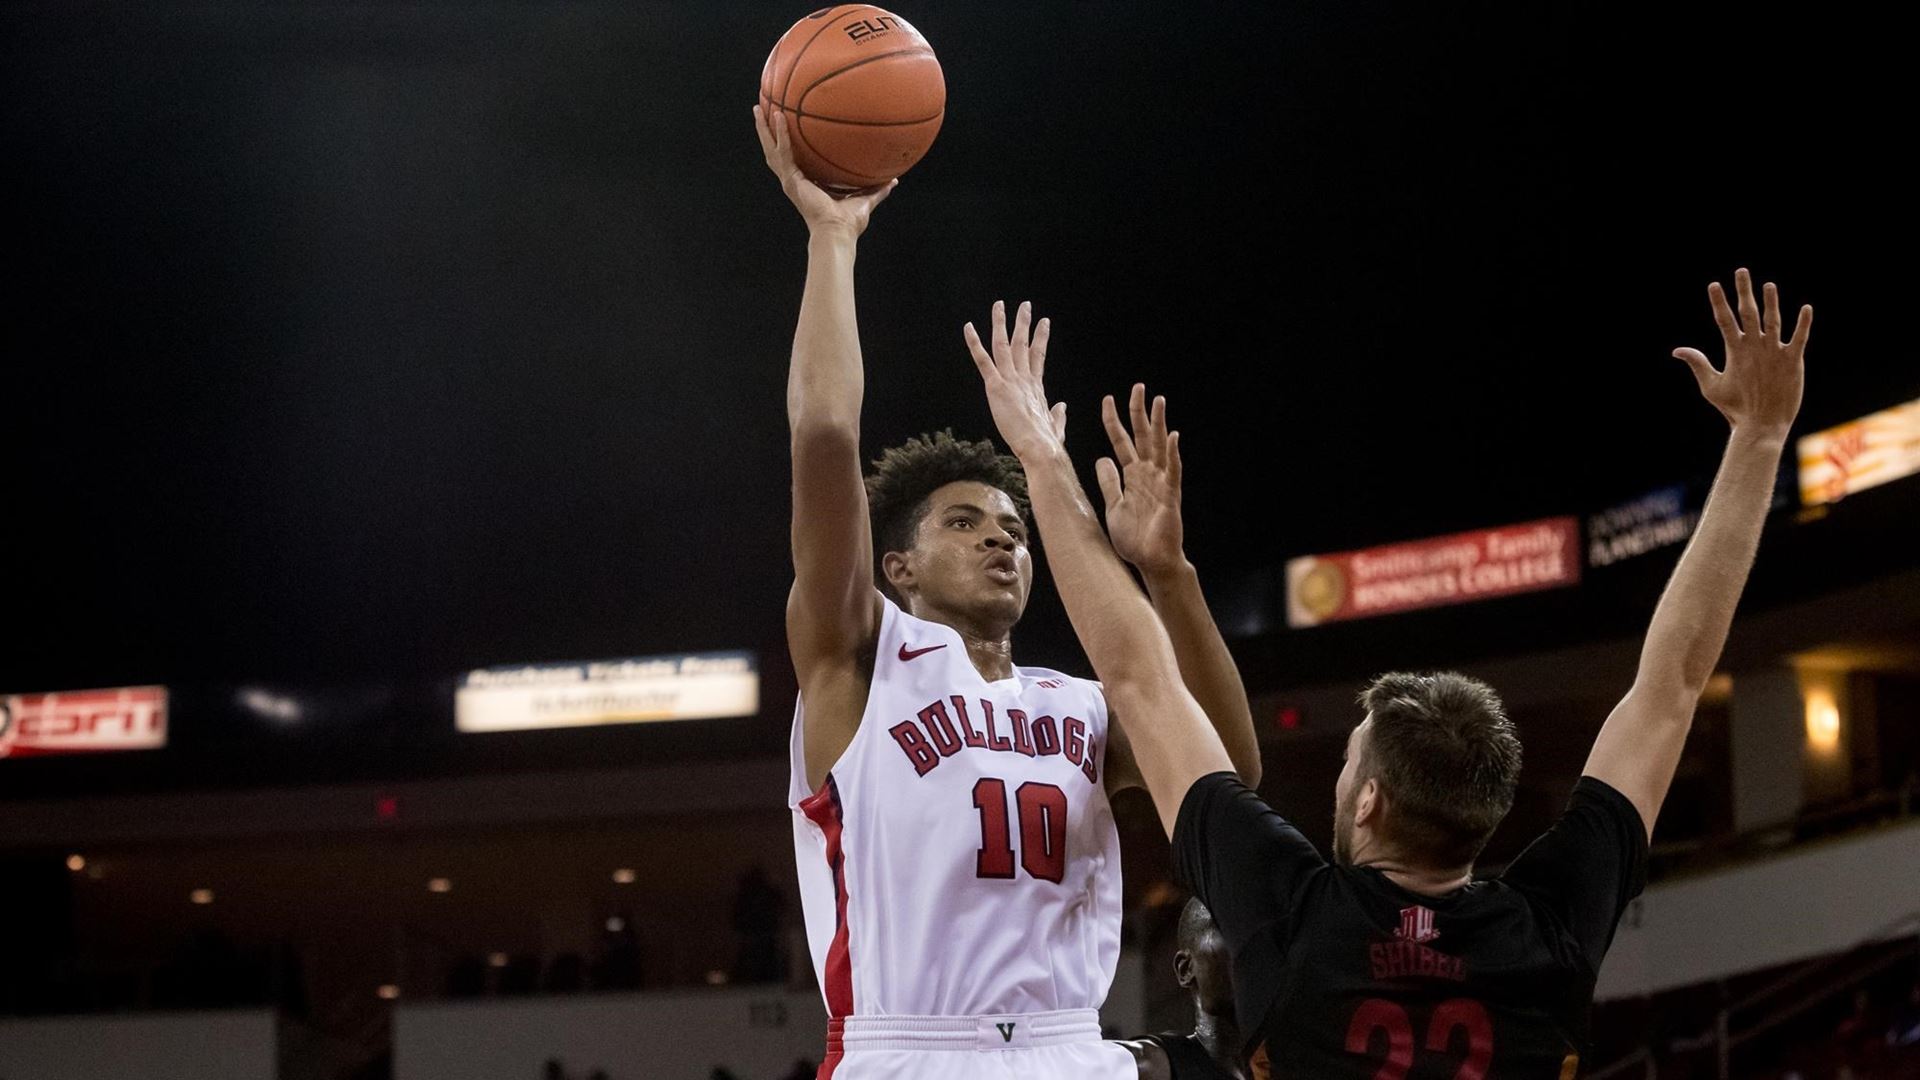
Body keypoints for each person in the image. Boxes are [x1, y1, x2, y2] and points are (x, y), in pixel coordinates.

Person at [963, 270, 1810, 1074]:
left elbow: (1140, 676)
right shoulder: (1547, 929)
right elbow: (1673, 685)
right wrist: (1760, 440)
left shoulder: (1291, 911)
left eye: (1348, 765)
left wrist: (1042, 456)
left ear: (1369, 799)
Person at [754, 106, 1261, 1080]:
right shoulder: (859, 663)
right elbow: (821, 439)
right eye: (963, 522)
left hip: (1075, 1049)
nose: (1001, 535)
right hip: (912, 1052)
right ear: (895, 566)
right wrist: (832, 240)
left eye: (1016, 526)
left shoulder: (1076, 705)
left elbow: (1229, 771)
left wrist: (1168, 574)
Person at [1113, 898, 1249, 1079]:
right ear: (1185, 969)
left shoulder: (1288, 1062)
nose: (1248, 949)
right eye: (1230, 931)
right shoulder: (1148, 1065)